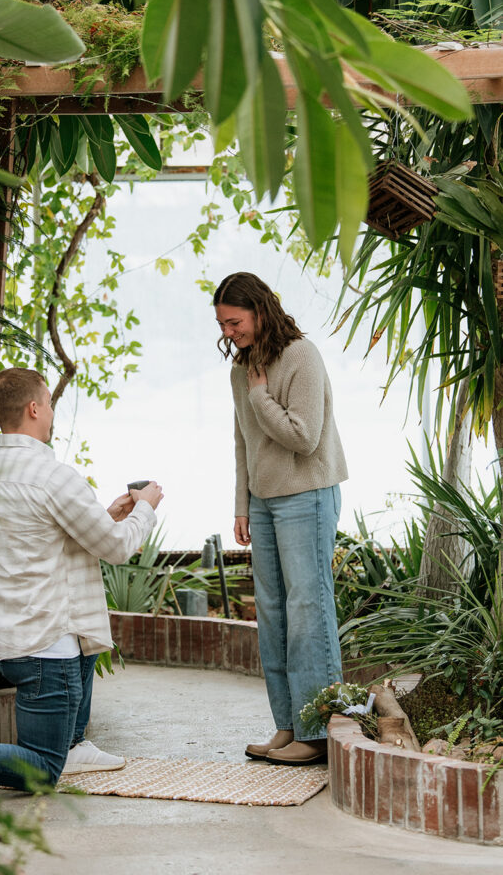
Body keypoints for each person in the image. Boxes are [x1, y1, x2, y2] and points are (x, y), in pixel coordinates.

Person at [0, 367, 163, 790]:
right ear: (34, 408)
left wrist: (104, 517)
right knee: (44, 768)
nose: (51, 412)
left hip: (1, 634)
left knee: (82, 631)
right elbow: (118, 549)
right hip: (43, 645)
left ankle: (75, 745)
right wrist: (146, 509)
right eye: (49, 404)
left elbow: (39, 540)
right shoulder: (54, 477)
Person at [213, 273, 348, 766]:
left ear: (260, 310)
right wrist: (241, 503)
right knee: (271, 613)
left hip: (306, 496)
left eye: (235, 321)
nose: (229, 332)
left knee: (308, 611)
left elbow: (304, 436)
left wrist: (260, 397)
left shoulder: (301, 357)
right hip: (265, 501)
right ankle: (288, 725)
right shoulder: (243, 369)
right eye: (223, 324)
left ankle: (317, 732)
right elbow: (242, 442)